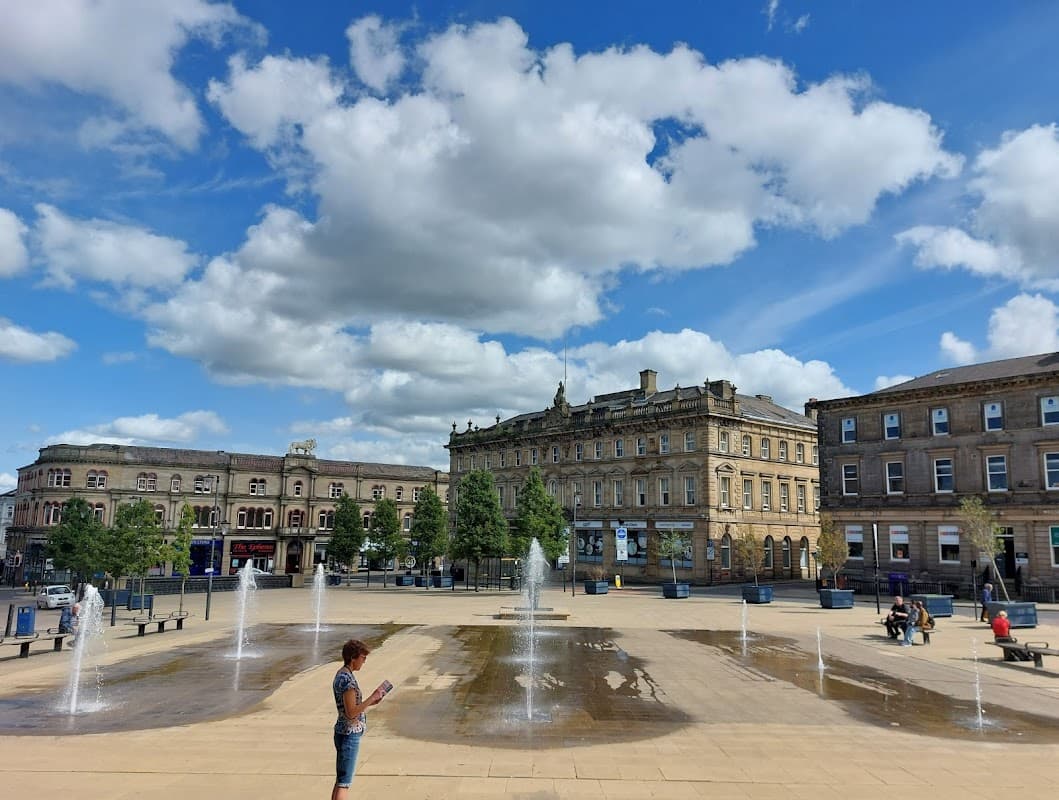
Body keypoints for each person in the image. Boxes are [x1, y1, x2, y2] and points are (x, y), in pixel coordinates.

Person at [332, 639, 386, 800]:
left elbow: (351, 708)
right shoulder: (347, 681)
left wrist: (370, 702)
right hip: (349, 734)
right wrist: (372, 698)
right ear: (353, 658)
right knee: (344, 783)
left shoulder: (341, 674)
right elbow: (351, 713)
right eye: (363, 657)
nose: (364, 661)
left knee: (341, 780)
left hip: (342, 731)